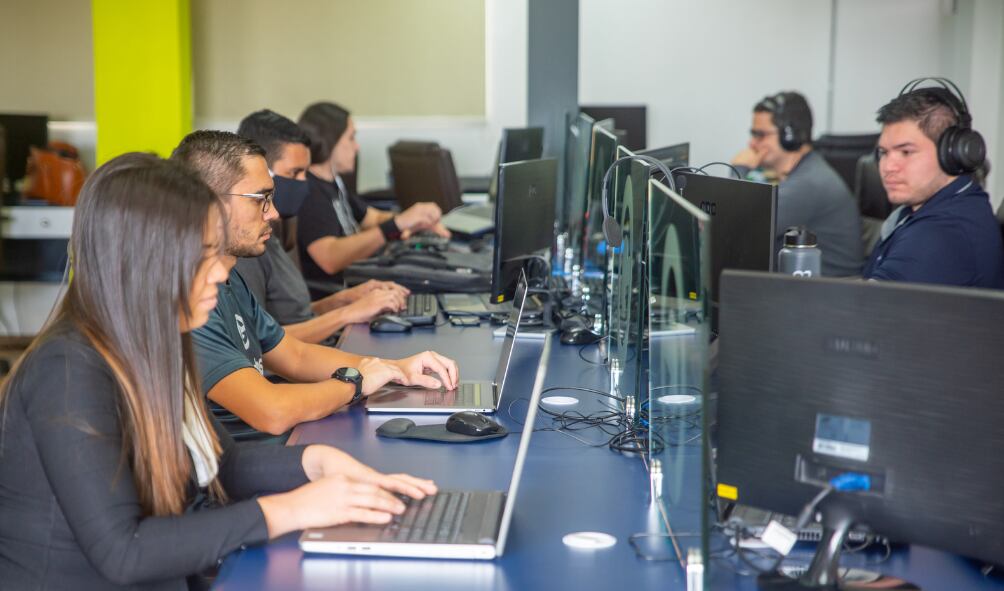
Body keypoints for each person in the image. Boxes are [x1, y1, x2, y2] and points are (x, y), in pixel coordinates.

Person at [0, 153, 436, 589]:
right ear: (142, 264)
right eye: (202, 256)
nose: (220, 274)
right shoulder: (67, 373)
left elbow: (222, 465)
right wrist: (292, 510)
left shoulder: (157, 343)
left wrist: (317, 464)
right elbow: (124, 550)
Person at [171, 131, 459, 441]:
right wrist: (356, 383)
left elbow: (294, 356)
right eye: (260, 200)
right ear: (209, 202)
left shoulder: (230, 279)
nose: (274, 213)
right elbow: (272, 411)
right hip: (250, 462)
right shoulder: (193, 302)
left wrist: (396, 369)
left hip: (283, 442)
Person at [233, 109, 409, 344]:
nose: (304, 184)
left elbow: (291, 316)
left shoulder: (271, 234)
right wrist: (346, 314)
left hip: (315, 349)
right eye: (294, 173)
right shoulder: (245, 245)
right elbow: (260, 343)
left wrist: (346, 299)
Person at [862, 79, 1004, 288]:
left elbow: (862, 313)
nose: (888, 166)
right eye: (883, 153)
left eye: (906, 152)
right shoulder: (926, 209)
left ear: (952, 153)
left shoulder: (944, 233)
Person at [295, 101, 449, 289]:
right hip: (340, 292)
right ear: (328, 141)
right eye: (351, 138)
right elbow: (329, 258)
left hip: (361, 277)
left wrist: (415, 221)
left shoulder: (334, 182)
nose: (357, 147)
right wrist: (397, 225)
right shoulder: (309, 192)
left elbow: (372, 217)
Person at [732, 91, 863, 276]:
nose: (752, 143)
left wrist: (739, 169)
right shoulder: (805, 171)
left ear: (789, 136)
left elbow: (736, 227)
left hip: (824, 296)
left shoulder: (810, 183)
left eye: (760, 135)